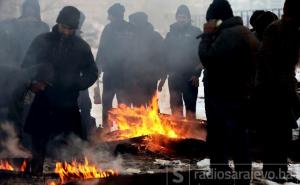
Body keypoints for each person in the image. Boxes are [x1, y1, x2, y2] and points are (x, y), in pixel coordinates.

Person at [21, 6, 98, 175]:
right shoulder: (42, 41)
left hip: (68, 101)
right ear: (58, 23)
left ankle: (67, 175)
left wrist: (77, 83)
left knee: (70, 143)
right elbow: (26, 66)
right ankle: (35, 172)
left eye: (71, 29)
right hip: (44, 98)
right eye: (65, 27)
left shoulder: (81, 46)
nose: (67, 32)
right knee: (38, 139)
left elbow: (92, 72)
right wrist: (33, 82)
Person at [198, 0, 259, 184]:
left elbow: (208, 58)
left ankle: (220, 177)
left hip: (224, 98)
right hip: (240, 95)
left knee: (219, 141)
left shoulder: (229, 35)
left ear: (217, 19)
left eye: (211, 20)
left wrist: (206, 37)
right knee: (240, 140)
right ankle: (242, 178)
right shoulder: (243, 32)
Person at [255, 0, 300, 182]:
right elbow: (268, 64)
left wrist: (291, 84)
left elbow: (290, 66)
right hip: (271, 91)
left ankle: (280, 169)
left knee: (284, 134)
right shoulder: (275, 30)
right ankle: (272, 172)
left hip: (284, 88)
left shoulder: (293, 31)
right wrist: (285, 87)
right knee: (273, 134)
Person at [95, 3, 134, 132]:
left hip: (123, 74)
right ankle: (108, 129)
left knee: (122, 105)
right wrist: (98, 67)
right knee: (108, 103)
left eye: (110, 16)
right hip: (112, 74)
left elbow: (136, 51)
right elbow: (102, 49)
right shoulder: (109, 29)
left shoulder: (129, 29)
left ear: (115, 15)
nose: (109, 18)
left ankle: (124, 130)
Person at [163, 5, 202, 119]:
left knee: (190, 108)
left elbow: (201, 55)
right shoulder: (171, 33)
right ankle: (177, 133)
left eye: (184, 17)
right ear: (176, 17)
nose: (181, 19)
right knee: (175, 108)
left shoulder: (196, 32)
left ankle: (191, 133)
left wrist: (197, 73)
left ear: (188, 18)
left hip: (190, 77)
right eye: (179, 16)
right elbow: (165, 54)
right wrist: (166, 72)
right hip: (174, 76)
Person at [127, 12, 164, 107]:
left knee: (151, 104)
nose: (131, 25)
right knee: (138, 107)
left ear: (139, 23)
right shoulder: (132, 37)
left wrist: (162, 75)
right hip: (135, 77)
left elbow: (163, 56)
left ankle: (154, 121)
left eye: (133, 23)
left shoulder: (155, 37)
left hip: (150, 77)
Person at [0, 0, 49, 67]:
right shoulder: (15, 23)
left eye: (33, 8)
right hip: (16, 59)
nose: (31, 11)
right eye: (28, 7)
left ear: (37, 10)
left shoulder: (43, 26)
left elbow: (45, 45)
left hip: (35, 61)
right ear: (24, 9)